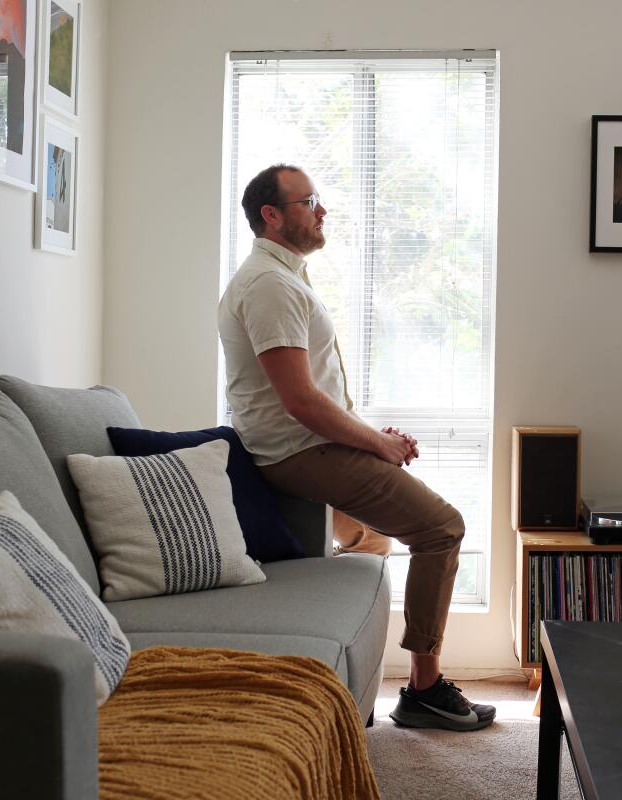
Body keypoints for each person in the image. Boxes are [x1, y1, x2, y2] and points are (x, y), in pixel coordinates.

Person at [217, 164, 496, 732]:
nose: (323, 211)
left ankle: (347, 679)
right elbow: (299, 401)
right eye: (309, 201)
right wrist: (377, 446)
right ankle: (422, 689)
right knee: (442, 528)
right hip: (296, 453)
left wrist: (376, 439)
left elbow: (313, 393)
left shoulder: (283, 276)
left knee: (372, 537)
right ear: (272, 215)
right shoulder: (268, 285)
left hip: (305, 444)